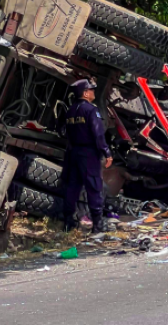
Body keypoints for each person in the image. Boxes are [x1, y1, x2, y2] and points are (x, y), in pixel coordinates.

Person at [57, 79, 112, 233]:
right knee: (94, 187)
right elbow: (98, 134)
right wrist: (106, 152)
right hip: (88, 154)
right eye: (92, 90)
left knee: (72, 187)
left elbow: (64, 131)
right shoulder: (91, 110)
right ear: (85, 93)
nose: (94, 92)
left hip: (73, 153)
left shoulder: (70, 111)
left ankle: (68, 223)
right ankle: (97, 226)